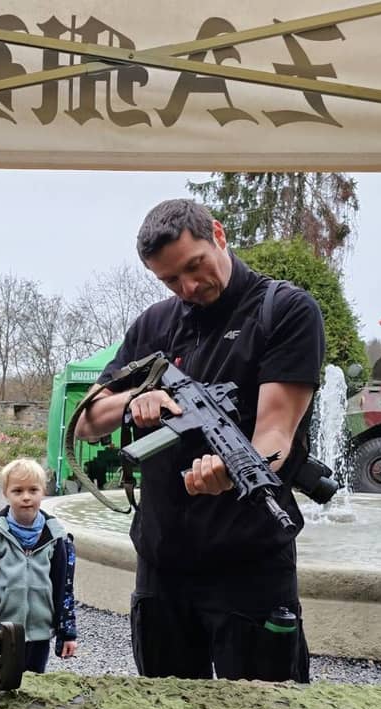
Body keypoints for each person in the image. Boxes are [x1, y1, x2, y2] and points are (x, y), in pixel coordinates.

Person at [74, 198, 325, 683]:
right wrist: (136, 399)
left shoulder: (284, 311)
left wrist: (232, 472)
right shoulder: (154, 324)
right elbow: (86, 420)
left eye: (195, 266)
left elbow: (276, 433)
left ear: (219, 235)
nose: (188, 287)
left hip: (249, 563)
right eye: (170, 280)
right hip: (162, 563)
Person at [0, 458, 77, 673]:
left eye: (33, 490)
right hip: (2, 630)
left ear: (43, 491)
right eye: (17, 491)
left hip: (39, 632)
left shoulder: (56, 538)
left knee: (33, 683)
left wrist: (67, 633)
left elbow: (65, 588)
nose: (26, 497)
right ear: (5, 493)